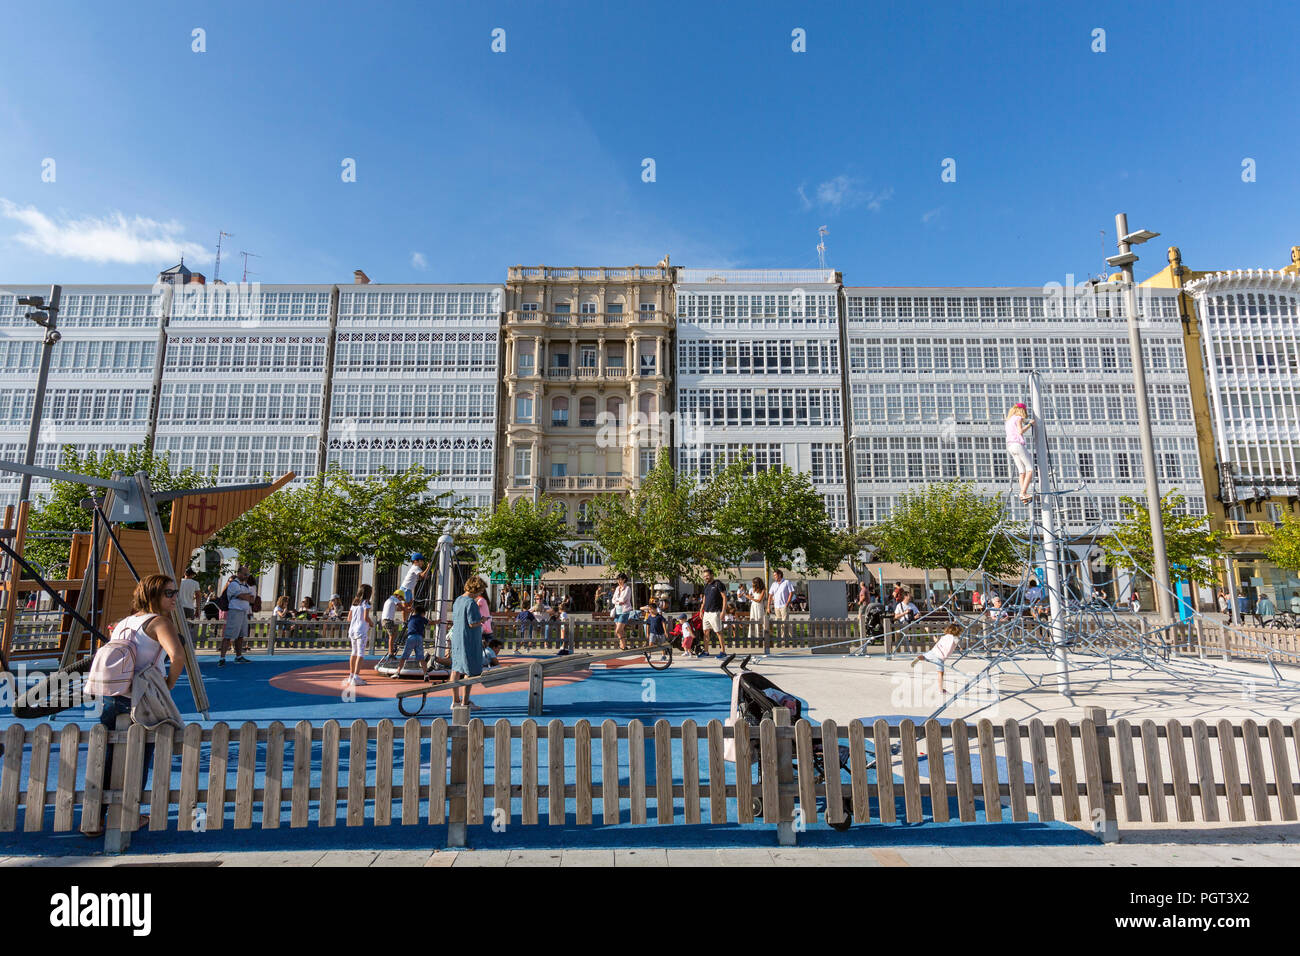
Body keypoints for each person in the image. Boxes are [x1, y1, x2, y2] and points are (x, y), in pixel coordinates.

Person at [82, 573, 186, 836]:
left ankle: (95, 818)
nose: (175, 598)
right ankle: (129, 815)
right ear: (153, 595)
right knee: (139, 757)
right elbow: (178, 656)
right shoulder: (159, 622)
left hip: (113, 695)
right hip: (141, 698)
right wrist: (169, 683)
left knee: (106, 759)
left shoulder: (124, 623)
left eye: (175, 593)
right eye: (169, 593)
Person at [449, 575, 486, 709]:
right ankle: (465, 702)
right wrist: (482, 620)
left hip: (457, 638)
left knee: (456, 669)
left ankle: (455, 701)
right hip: (468, 639)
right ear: (476, 589)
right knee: (468, 671)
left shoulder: (458, 600)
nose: (481, 594)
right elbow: (472, 623)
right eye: (481, 591)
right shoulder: (471, 602)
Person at [218, 566, 256, 666]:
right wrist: (246, 596)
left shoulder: (245, 585)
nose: (246, 576)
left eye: (247, 574)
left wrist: (246, 597)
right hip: (235, 611)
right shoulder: (234, 584)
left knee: (241, 635)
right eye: (245, 574)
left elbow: (252, 599)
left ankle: (238, 656)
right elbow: (242, 596)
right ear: (239, 573)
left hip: (244, 611)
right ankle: (222, 658)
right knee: (229, 635)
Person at [911, 623, 962, 695]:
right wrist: (961, 647)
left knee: (925, 656)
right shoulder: (956, 638)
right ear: (957, 632)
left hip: (933, 652)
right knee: (940, 673)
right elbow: (959, 644)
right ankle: (941, 690)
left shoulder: (944, 637)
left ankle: (919, 658)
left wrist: (928, 631)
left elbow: (937, 641)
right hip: (940, 657)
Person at [1005, 403, 1035, 503]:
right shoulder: (1018, 418)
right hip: (1018, 445)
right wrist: (1030, 424)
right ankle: (1023, 493)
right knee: (1030, 469)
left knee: (1022, 471)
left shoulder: (1009, 421)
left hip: (1010, 446)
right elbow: (1020, 431)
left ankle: (1023, 496)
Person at [344, 584, 373, 687]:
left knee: (354, 652)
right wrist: (371, 623)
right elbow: (366, 617)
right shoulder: (366, 603)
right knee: (361, 653)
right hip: (361, 630)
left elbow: (349, 618)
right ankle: (356, 676)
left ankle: (351, 675)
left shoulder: (354, 603)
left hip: (352, 630)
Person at [394, 600, 429, 679]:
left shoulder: (411, 618)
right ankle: (426, 674)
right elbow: (430, 622)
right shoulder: (422, 618)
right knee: (421, 657)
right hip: (419, 638)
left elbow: (406, 619)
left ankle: (397, 672)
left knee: (404, 656)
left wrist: (409, 610)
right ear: (422, 614)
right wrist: (437, 622)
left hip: (411, 637)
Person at [699, 568, 728, 657]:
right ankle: (706, 651)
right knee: (705, 632)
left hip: (715, 612)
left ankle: (723, 652)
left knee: (718, 632)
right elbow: (704, 598)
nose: (706, 577)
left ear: (712, 575)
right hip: (706, 612)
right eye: (704, 576)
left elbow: (724, 597)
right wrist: (701, 610)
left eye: (707, 575)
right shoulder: (706, 585)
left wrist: (723, 611)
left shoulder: (718, 584)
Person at [611, 573, 633, 651]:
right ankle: (623, 646)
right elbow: (613, 600)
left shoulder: (627, 588)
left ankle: (623, 644)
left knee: (618, 630)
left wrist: (617, 601)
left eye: (620, 579)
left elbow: (623, 600)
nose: (619, 581)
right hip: (617, 611)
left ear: (624, 579)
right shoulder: (617, 588)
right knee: (621, 630)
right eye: (618, 580)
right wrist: (617, 602)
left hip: (625, 611)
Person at [381, 589, 406, 656]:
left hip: (386, 620)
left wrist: (406, 609)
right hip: (388, 620)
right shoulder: (395, 599)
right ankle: (390, 652)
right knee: (391, 636)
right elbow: (402, 608)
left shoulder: (390, 600)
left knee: (394, 633)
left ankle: (392, 647)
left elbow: (398, 608)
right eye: (401, 598)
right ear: (398, 595)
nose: (401, 600)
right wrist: (409, 610)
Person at [748, 577, 769, 644]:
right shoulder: (754, 589)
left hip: (759, 606)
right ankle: (753, 636)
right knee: (753, 620)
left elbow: (759, 600)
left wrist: (750, 598)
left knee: (759, 620)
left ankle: (761, 636)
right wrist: (750, 596)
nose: (752, 584)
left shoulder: (763, 590)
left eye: (753, 583)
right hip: (753, 606)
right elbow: (753, 595)